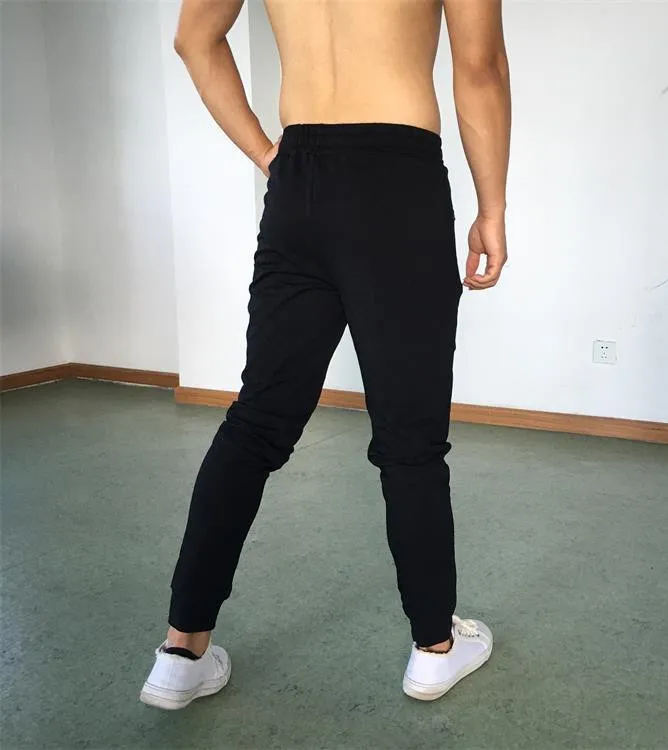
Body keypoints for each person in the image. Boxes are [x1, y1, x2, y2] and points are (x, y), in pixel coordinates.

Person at [140, 0, 511, 709]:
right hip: (397, 179)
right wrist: (491, 210)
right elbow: (480, 66)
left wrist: (267, 154)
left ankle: (181, 652)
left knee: (256, 422)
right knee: (409, 436)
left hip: (299, 181)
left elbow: (194, 39)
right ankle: (435, 648)